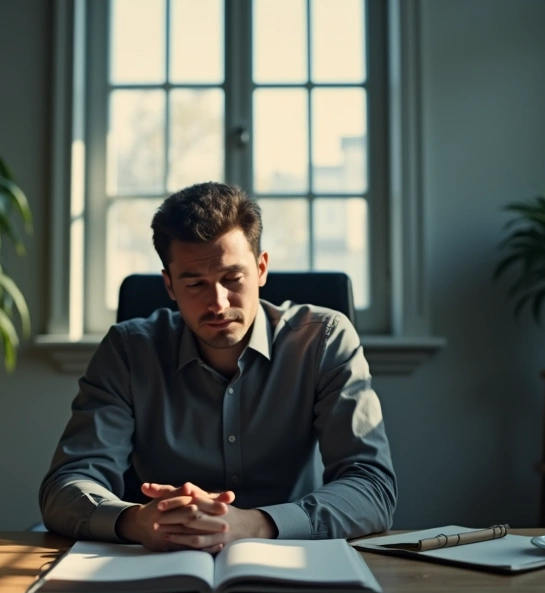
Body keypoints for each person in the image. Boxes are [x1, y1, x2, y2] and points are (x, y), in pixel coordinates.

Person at [38, 182, 396, 553]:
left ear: (261, 268)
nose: (218, 303)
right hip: (161, 560)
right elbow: (67, 484)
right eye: (195, 284)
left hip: (292, 559)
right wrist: (137, 520)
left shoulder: (323, 340)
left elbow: (372, 487)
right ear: (170, 285)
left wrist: (253, 524)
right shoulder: (128, 351)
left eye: (232, 278)